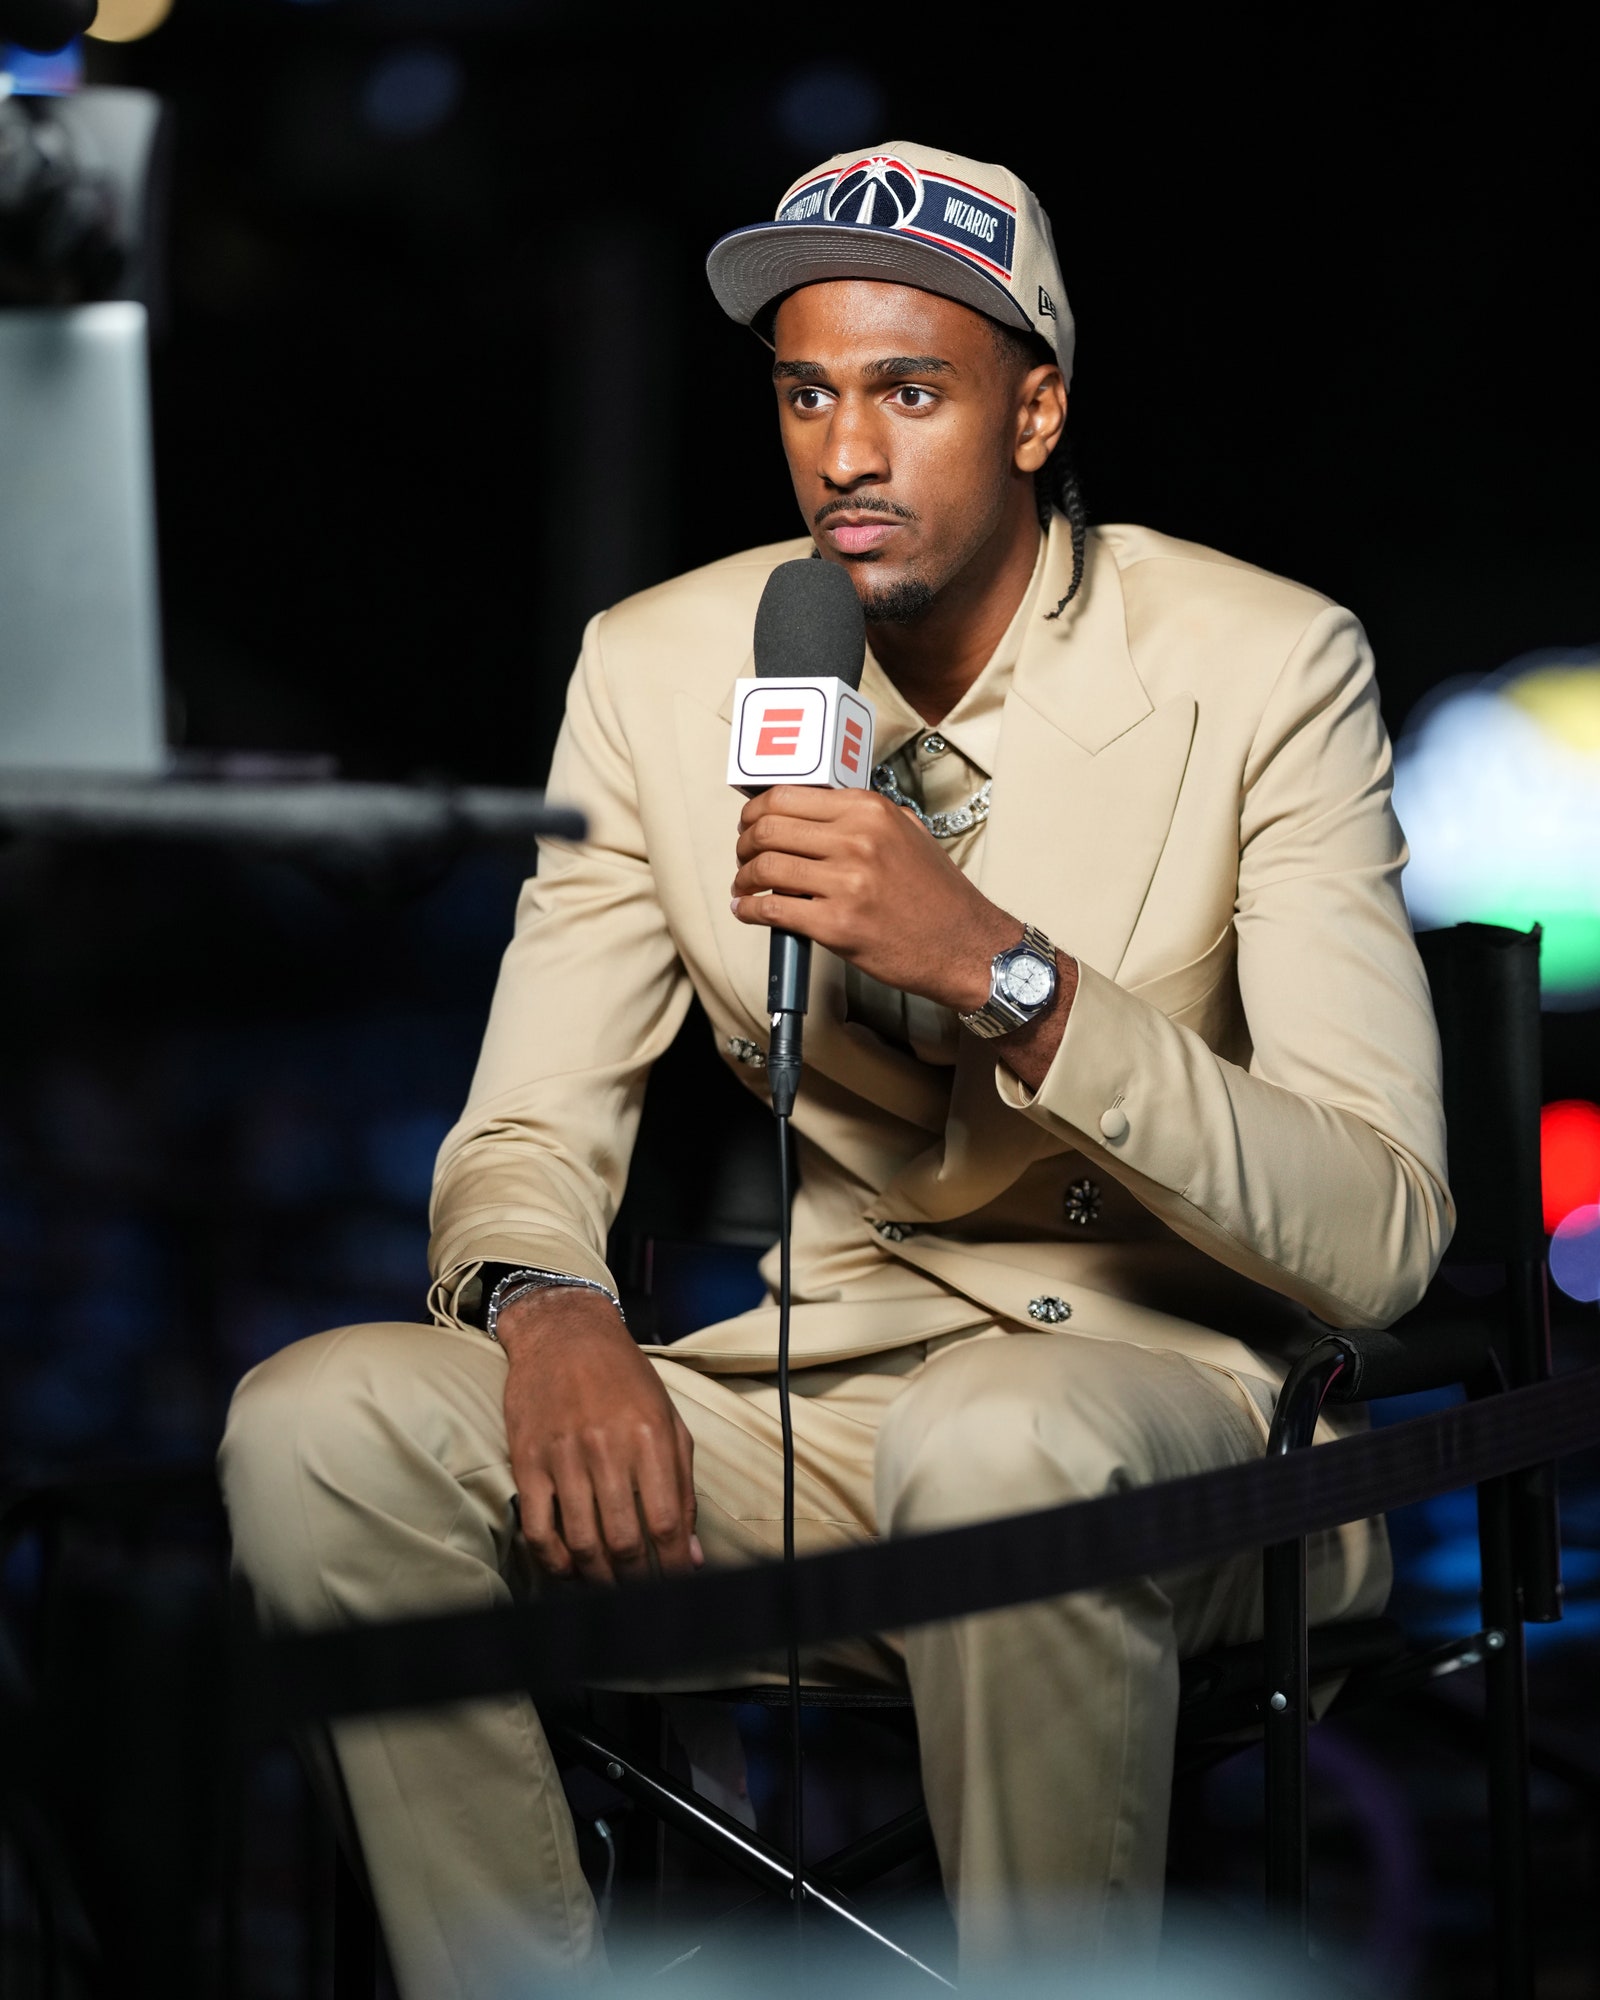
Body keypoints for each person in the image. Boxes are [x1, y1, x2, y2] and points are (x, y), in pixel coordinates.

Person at [220, 142, 1451, 1997]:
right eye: (807, 392)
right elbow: (529, 1125)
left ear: (1035, 411)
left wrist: (1006, 974)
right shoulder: (660, 670)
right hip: (809, 1402)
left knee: (1004, 1443)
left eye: (909, 392)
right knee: (321, 1428)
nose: (845, 454)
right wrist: (551, 1307)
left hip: (1175, 1415)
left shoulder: (1267, 666)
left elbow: (1383, 1239)